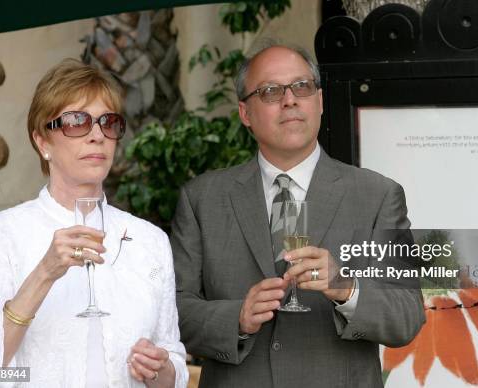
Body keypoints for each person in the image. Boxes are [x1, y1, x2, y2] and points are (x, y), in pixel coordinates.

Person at [171, 42, 425, 388]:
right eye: (271, 91)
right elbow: (173, 311)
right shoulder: (202, 199)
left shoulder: (377, 196)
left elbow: (407, 314)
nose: (289, 100)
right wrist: (236, 319)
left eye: (301, 87)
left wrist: (346, 288)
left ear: (319, 101)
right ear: (245, 113)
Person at [0, 59, 188, 387]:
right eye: (76, 121)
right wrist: (44, 273)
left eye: (108, 122)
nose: (97, 135)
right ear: (43, 142)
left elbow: (173, 361)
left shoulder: (150, 240)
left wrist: (162, 369)